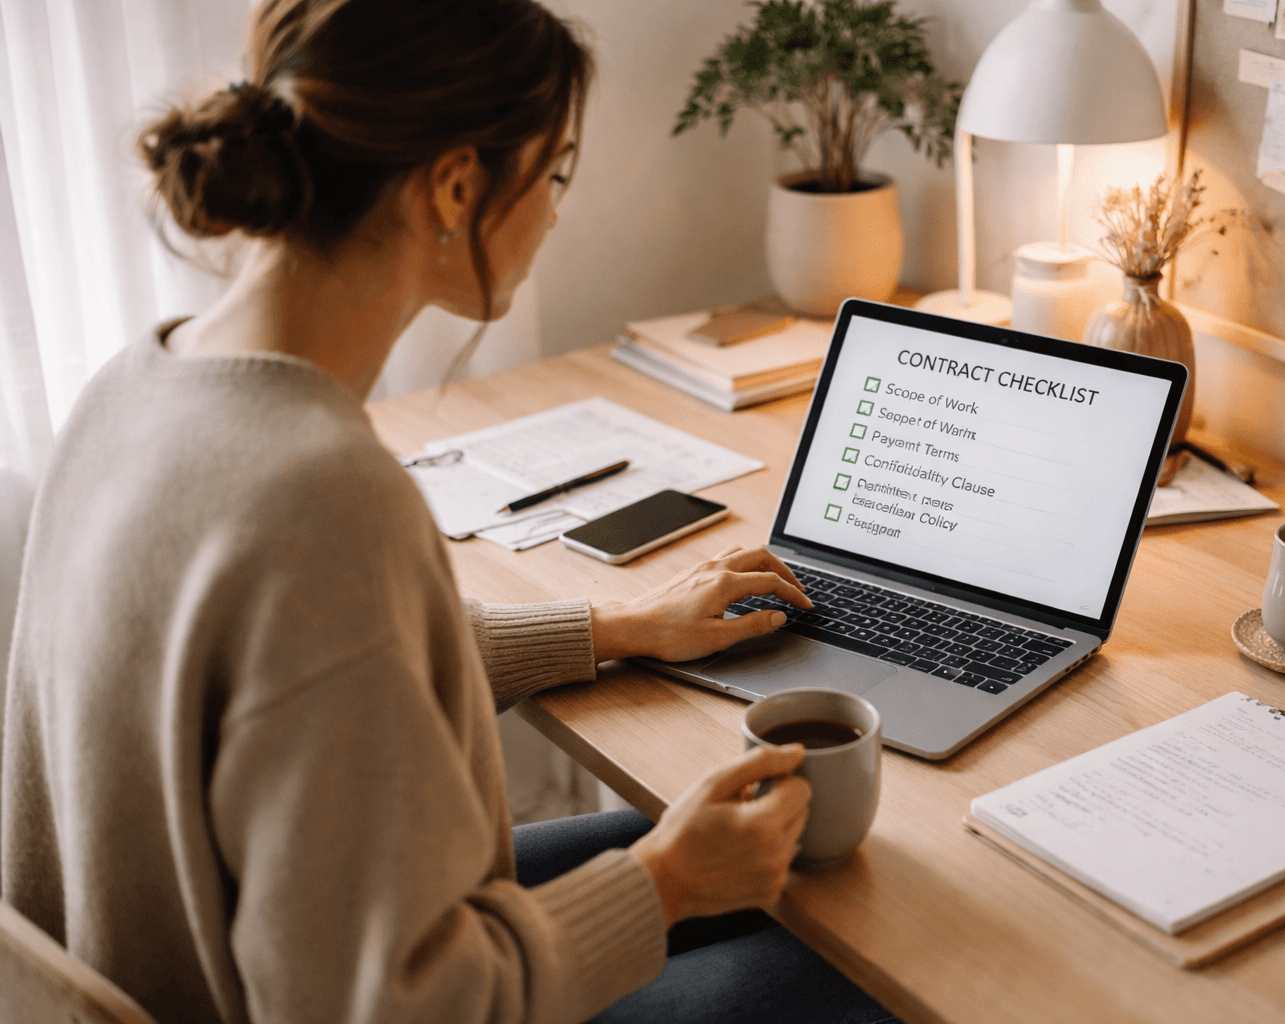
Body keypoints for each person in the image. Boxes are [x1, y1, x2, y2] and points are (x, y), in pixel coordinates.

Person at [0, 1, 900, 1022]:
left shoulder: (134, 383)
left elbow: (328, 665)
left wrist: (619, 628)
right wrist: (669, 883)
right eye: (553, 172)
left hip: (189, 953)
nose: (557, 211)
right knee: (884, 966)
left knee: (793, 888)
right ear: (457, 183)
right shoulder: (322, 498)